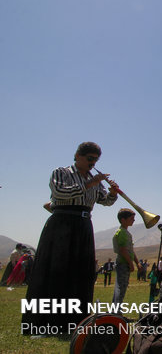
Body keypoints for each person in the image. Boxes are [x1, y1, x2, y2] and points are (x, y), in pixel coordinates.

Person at [22, 141, 118, 334]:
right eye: (90, 159)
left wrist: (113, 194)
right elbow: (60, 193)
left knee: (80, 273)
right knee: (55, 271)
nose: (93, 163)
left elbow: (104, 201)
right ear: (78, 156)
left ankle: (74, 321)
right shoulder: (61, 172)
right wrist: (89, 183)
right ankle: (42, 323)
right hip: (62, 223)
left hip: (83, 226)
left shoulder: (93, 178)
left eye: (96, 160)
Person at [112, 208, 140, 304]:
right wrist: (131, 264)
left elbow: (130, 250)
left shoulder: (125, 232)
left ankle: (115, 311)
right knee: (121, 288)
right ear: (123, 220)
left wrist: (137, 263)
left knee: (121, 287)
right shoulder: (122, 233)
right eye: (131, 218)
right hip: (123, 264)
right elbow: (123, 250)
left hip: (124, 263)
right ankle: (117, 312)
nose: (134, 220)